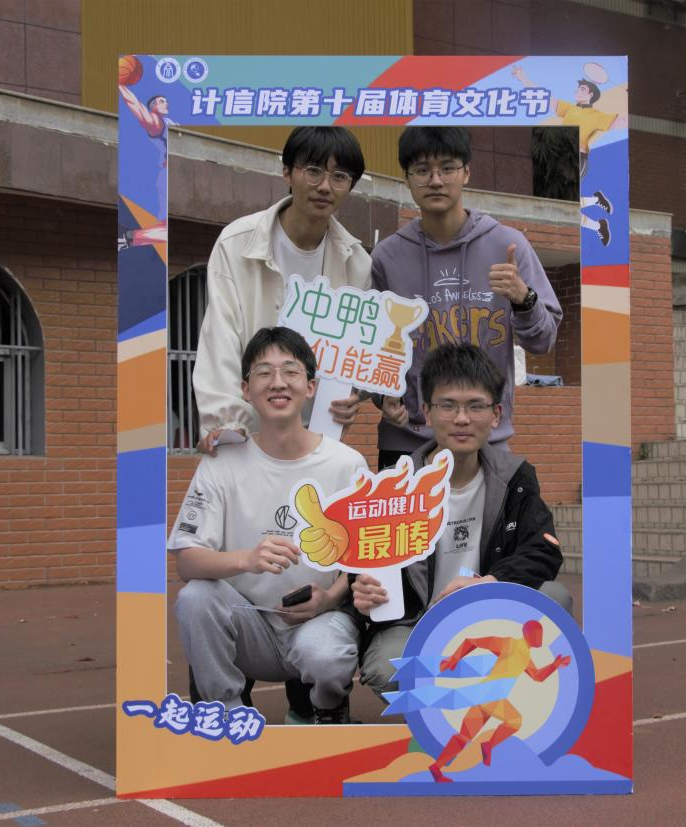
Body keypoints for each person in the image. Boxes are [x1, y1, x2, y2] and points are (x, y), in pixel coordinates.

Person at [170, 327, 366, 724]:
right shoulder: (222, 460)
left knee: (326, 656)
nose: (277, 382)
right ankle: (227, 714)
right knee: (195, 598)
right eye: (263, 372)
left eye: (290, 371)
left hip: (318, 620)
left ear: (310, 386)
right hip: (248, 624)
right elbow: (186, 562)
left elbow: (366, 561)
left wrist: (329, 599)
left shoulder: (347, 464)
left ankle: (325, 709)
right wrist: (247, 559)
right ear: (246, 389)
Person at [352, 344, 571, 699]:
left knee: (553, 597)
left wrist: (489, 584)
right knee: (386, 668)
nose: (462, 419)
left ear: (496, 414)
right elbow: (367, 568)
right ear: (426, 412)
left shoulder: (515, 477)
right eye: (448, 405)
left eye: (475, 406)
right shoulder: (395, 485)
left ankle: (492, 702)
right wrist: (364, 590)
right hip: (420, 622)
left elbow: (543, 551)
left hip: (491, 614)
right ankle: (450, 711)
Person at [371, 127, 561, 469]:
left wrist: (524, 298)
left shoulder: (507, 245)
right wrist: (380, 396)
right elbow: (370, 347)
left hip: (485, 440)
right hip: (407, 444)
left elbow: (544, 340)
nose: (435, 180)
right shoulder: (387, 257)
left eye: (447, 168)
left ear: (467, 172)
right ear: (407, 178)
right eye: (422, 170)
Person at [193, 127, 371, 455]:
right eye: (313, 170)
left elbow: (355, 355)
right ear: (287, 171)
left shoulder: (357, 263)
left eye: (339, 176)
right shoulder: (237, 243)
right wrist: (227, 423)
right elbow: (220, 338)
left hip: (315, 440)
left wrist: (352, 395)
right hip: (243, 436)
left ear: (351, 185)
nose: (325, 186)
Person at [428, 619, 571, 782]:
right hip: (491, 694)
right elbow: (472, 641)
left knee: (463, 738)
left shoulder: (525, 655)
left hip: (484, 695)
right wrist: (453, 658)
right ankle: (488, 745)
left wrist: (554, 665)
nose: (541, 637)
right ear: (529, 634)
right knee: (515, 721)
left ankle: (436, 768)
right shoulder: (510, 644)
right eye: (539, 633)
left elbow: (537, 676)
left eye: (541, 633)